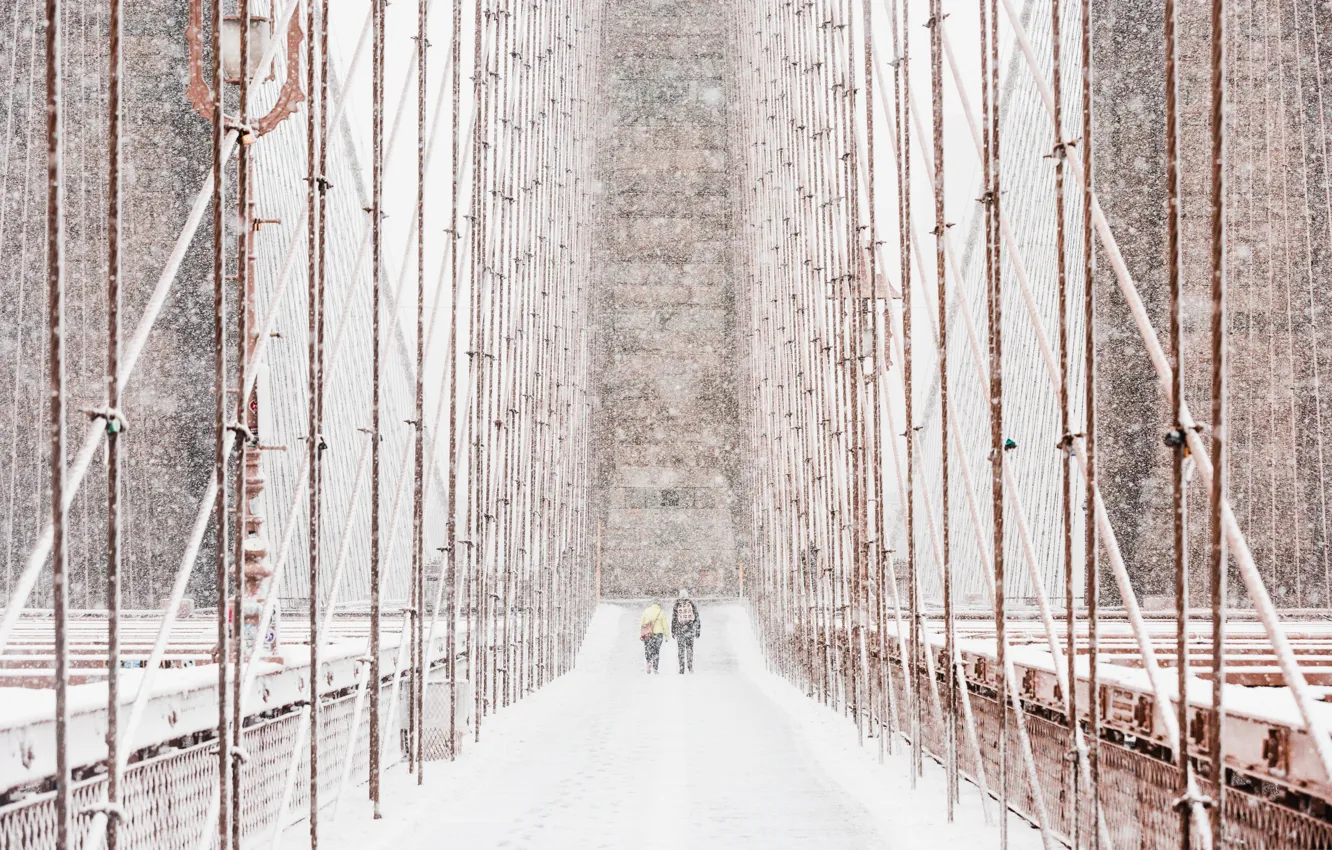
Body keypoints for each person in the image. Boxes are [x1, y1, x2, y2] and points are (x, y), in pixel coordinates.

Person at [671, 589, 701, 674]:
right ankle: (690, 666)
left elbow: (674, 619)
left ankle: (681, 668)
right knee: (690, 648)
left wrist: (673, 630)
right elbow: (697, 618)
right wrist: (698, 630)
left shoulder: (676, 605)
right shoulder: (691, 604)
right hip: (690, 629)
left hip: (680, 629)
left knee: (680, 650)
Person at [639, 601, 668, 674]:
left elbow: (642, 623)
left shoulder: (646, 610)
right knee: (656, 651)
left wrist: (642, 632)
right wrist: (667, 635)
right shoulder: (661, 612)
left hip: (648, 634)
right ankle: (655, 668)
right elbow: (665, 625)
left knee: (648, 649)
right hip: (658, 634)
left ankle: (649, 662)